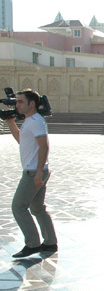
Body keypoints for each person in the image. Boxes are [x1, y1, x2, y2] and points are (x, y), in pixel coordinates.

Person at [3, 89, 58, 258]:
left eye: (20, 102)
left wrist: (38, 173)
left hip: (34, 171)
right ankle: (50, 243)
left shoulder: (35, 121)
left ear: (31, 103)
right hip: (35, 169)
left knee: (18, 207)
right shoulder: (30, 120)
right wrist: (11, 122)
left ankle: (33, 244)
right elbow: (22, 140)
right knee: (38, 209)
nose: (17, 104)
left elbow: (44, 146)